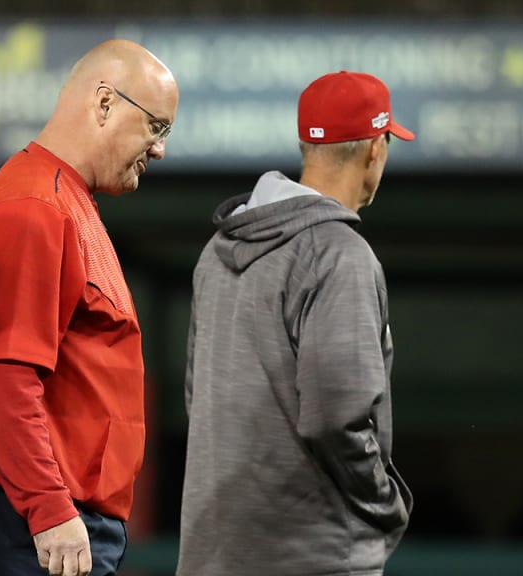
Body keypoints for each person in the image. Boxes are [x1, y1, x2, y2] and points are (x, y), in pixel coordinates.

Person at [0, 39, 179, 576]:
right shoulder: (33, 206)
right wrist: (48, 508)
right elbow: (3, 375)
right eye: (156, 126)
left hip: (42, 512)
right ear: (104, 102)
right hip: (22, 515)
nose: (159, 150)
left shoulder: (64, 200)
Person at [177, 70, 414, 576]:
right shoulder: (339, 253)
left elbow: (198, 398)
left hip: (214, 554)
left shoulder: (216, 252)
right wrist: (385, 501)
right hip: (314, 555)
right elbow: (336, 416)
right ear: (376, 149)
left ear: (307, 145)